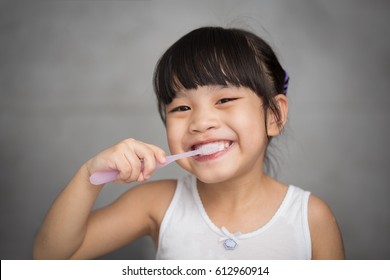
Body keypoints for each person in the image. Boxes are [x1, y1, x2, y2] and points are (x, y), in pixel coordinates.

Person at [33, 26, 345, 259]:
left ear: (273, 117)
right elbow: (49, 260)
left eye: (224, 99)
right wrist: (90, 175)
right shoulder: (155, 204)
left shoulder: (311, 217)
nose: (200, 122)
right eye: (181, 108)